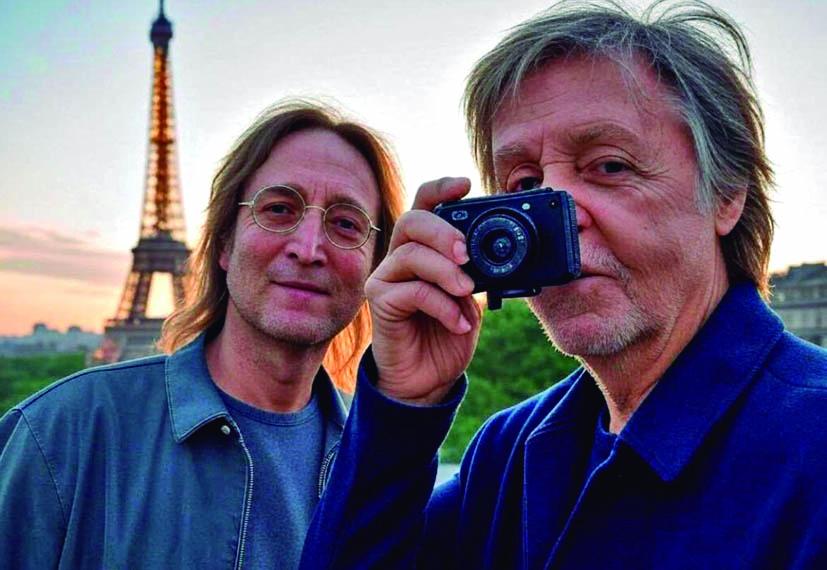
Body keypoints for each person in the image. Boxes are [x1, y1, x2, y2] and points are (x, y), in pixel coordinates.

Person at [300, 2, 827, 569]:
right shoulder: (508, 454)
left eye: (610, 166)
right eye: (525, 183)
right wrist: (401, 410)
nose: (558, 218)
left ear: (727, 194)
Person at [0, 99, 404, 569]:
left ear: (374, 265)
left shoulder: (377, 464)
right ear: (225, 244)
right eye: (278, 209)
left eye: (346, 224)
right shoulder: (59, 435)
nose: (309, 247)